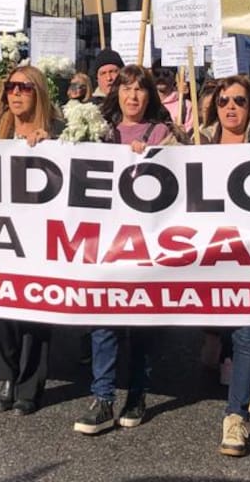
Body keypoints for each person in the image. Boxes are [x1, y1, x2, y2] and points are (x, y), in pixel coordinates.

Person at [74, 65, 182, 435]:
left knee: (139, 323)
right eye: (126, 89)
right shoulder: (98, 131)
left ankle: (136, 393)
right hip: (104, 240)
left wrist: (154, 156)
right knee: (103, 319)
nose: (132, 96)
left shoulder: (163, 133)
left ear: (150, 95)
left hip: (146, 242)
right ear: (115, 93)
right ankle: (103, 396)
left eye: (140, 90)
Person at [197, 75, 250, 457]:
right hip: (207, 251)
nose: (230, 107)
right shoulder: (195, 141)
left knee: (249, 330)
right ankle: (243, 368)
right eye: (224, 100)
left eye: (239, 101)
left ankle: (235, 416)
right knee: (222, 327)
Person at [0, 65, 63, 416]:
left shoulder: (58, 133)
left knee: (34, 312)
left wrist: (52, 148)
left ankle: (30, 384)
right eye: (10, 87)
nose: (15, 93)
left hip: (40, 235)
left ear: (39, 93)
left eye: (24, 88)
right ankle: (8, 374)